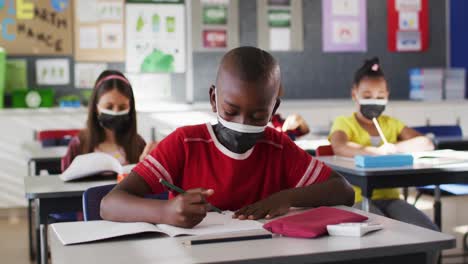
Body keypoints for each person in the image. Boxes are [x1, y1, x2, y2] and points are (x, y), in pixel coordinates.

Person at [100, 47, 354, 228]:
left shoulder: (278, 147)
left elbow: (343, 191)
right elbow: (110, 204)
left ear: (274, 110)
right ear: (214, 99)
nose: (242, 125)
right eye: (231, 111)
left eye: (257, 116)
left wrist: (286, 198)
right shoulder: (185, 144)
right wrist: (165, 211)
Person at [328, 57, 438, 231]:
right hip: (357, 198)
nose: (374, 101)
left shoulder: (391, 124)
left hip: (391, 197)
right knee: (382, 232)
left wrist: (394, 148)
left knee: (427, 231)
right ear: (354, 94)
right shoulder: (345, 123)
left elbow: (425, 143)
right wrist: (376, 152)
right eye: (367, 96)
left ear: (387, 96)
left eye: (380, 96)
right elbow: (339, 146)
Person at [62, 70, 157, 171]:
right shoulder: (78, 144)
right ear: (96, 107)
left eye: (122, 107)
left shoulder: (138, 144)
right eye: (109, 107)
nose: (115, 112)